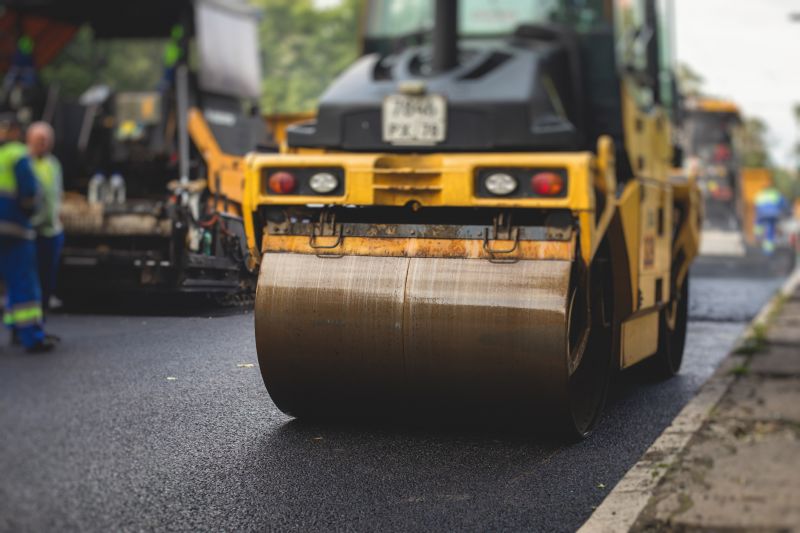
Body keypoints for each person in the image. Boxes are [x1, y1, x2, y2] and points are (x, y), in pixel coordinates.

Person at [0, 114, 55, 352]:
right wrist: (30, 213)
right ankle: (31, 337)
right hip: (14, 228)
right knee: (23, 282)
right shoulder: (16, 154)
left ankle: (15, 330)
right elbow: (29, 191)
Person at [27, 122, 64, 312]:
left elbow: (56, 193)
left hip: (52, 229)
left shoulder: (53, 163)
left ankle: (43, 310)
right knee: (28, 276)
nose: (44, 143)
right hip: (30, 230)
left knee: (47, 274)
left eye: (47, 140)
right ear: (29, 140)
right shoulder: (24, 163)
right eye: (40, 140)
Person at [754, 185, 788, 255]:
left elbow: (756, 207)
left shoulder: (760, 194)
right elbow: (784, 204)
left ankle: (758, 236)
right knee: (770, 229)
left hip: (762, 214)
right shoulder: (776, 194)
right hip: (773, 214)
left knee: (759, 223)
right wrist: (785, 212)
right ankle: (768, 249)